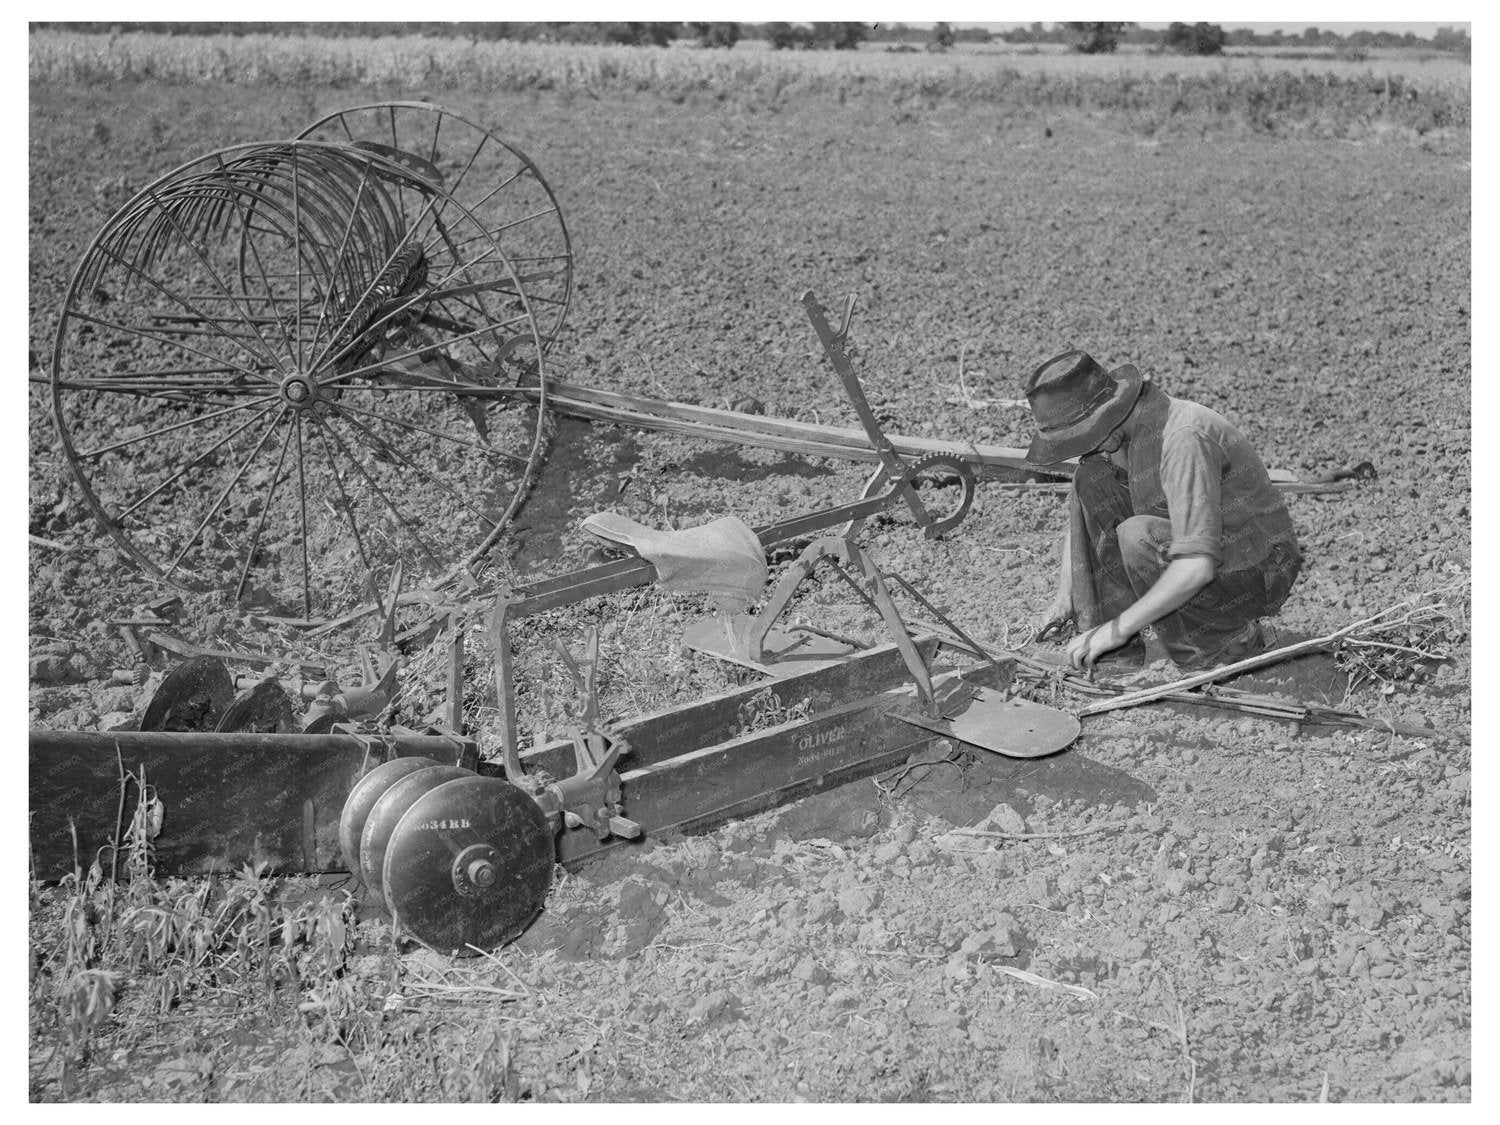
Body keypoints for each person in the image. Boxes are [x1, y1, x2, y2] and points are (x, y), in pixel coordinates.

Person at [1023, 350, 1302, 673]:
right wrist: (1064, 597)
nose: (1080, 449)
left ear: (1106, 422)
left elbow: (1197, 566)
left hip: (1259, 568)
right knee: (1090, 480)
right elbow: (1083, 523)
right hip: (1204, 548)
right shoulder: (1121, 438)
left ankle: (1225, 647)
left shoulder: (1183, 438)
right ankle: (1114, 654)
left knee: (1137, 536)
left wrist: (1117, 629)